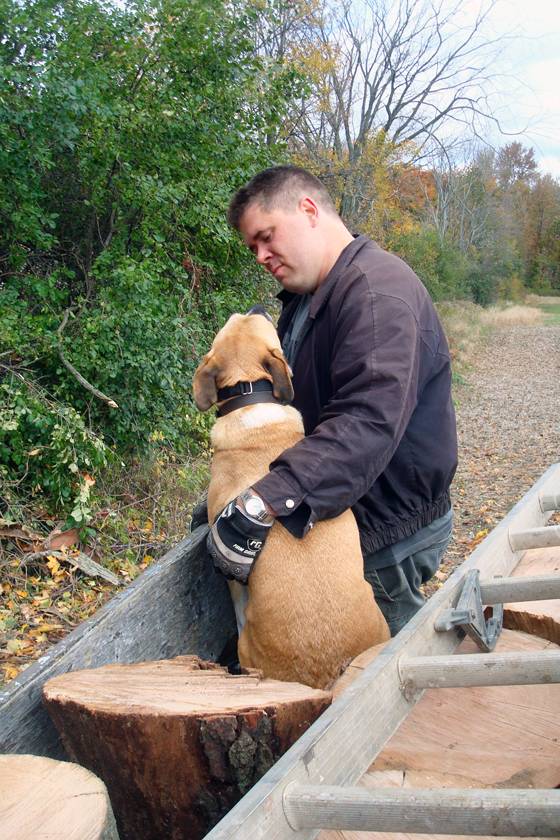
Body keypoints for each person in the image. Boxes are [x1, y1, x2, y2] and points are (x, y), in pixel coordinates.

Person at [207, 164, 457, 636]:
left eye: (266, 236)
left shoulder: (377, 293)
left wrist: (263, 501)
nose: (260, 255)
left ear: (307, 209)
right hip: (340, 518)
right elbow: (292, 420)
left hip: (386, 534)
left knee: (380, 689)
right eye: (252, 247)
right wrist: (229, 492)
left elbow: (366, 422)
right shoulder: (311, 296)